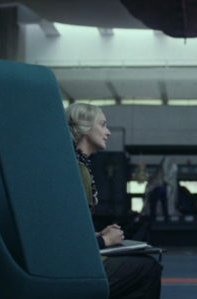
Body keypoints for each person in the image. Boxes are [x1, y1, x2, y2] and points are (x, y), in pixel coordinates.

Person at [66, 103, 162, 299]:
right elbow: (69, 241)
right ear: (84, 128)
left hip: (72, 259)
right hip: (77, 267)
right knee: (148, 267)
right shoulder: (78, 170)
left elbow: (70, 228)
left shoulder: (73, 164)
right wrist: (105, 240)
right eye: (102, 125)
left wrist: (97, 233)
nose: (108, 132)